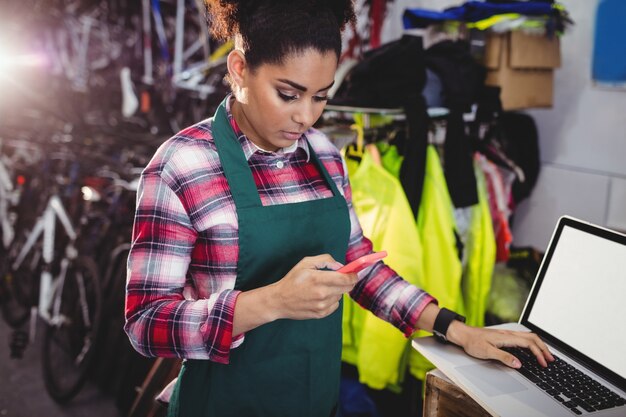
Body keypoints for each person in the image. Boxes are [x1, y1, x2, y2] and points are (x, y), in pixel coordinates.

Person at [124, 1, 554, 416]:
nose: (305, 118)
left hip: (314, 399)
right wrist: (272, 301)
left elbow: (358, 267)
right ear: (239, 69)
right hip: (223, 403)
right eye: (288, 95)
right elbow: (146, 322)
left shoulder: (325, 155)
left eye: (320, 97)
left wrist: (455, 328)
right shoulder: (182, 165)